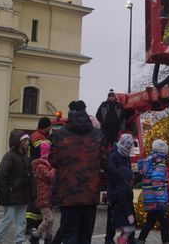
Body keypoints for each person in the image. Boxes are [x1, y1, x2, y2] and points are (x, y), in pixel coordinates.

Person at [49, 100, 106, 244]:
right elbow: (105, 161)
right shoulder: (98, 135)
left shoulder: (59, 135)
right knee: (85, 237)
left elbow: (53, 161)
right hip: (90, 194)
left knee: (69, 236)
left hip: (68, 195)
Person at [0, 130, 33, 244]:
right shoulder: (10, 156)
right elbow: (1, 175)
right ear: (18, 142)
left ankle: (20, 240)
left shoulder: (25, 157)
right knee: (7, 219)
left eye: (27, 140)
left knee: (21, 220)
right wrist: (5, 192)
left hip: (21, 194)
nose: (27, 142)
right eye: (25, 140)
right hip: (11, 194)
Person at [136, 139, 169, 244]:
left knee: (150, 221)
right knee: (164, 221)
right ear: (164, 152)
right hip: (157, 201)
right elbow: (157, 182)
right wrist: (162, 201)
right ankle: (166, 241)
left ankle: (141, 239)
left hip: (150, 199)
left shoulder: (149, 162)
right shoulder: (160, 164)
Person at [105, 134, 136, 244]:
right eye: (127, 147)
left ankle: (130, 238)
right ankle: (109, 239)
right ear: (122, 144)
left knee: (128, 214)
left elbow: (128, 170)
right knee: (112, 218)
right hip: (114, 191)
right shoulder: (113, 156)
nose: (128, 150)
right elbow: (110, 174)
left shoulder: (126, 155)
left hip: (125, 190)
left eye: (130, 147)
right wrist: (121, 183)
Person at [27, 117, 53, 233]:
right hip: (36, 171)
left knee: (39, 199)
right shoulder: (37, 136)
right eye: (50, 126)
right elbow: (40, 149)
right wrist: (49, 142)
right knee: (34, 199)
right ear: (46, 126)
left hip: (39, 170)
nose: (51, 129)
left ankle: (37, 224)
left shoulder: (42, 136)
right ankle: (30, 225)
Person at [31, 142, 55, 244]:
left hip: (50, 197)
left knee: (51, 221)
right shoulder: (41, 166)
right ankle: (36, 235)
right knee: (49, 219)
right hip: (43, 198)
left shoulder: (47, 165)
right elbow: (50, 177)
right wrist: (54, 169)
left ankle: (48, 238)